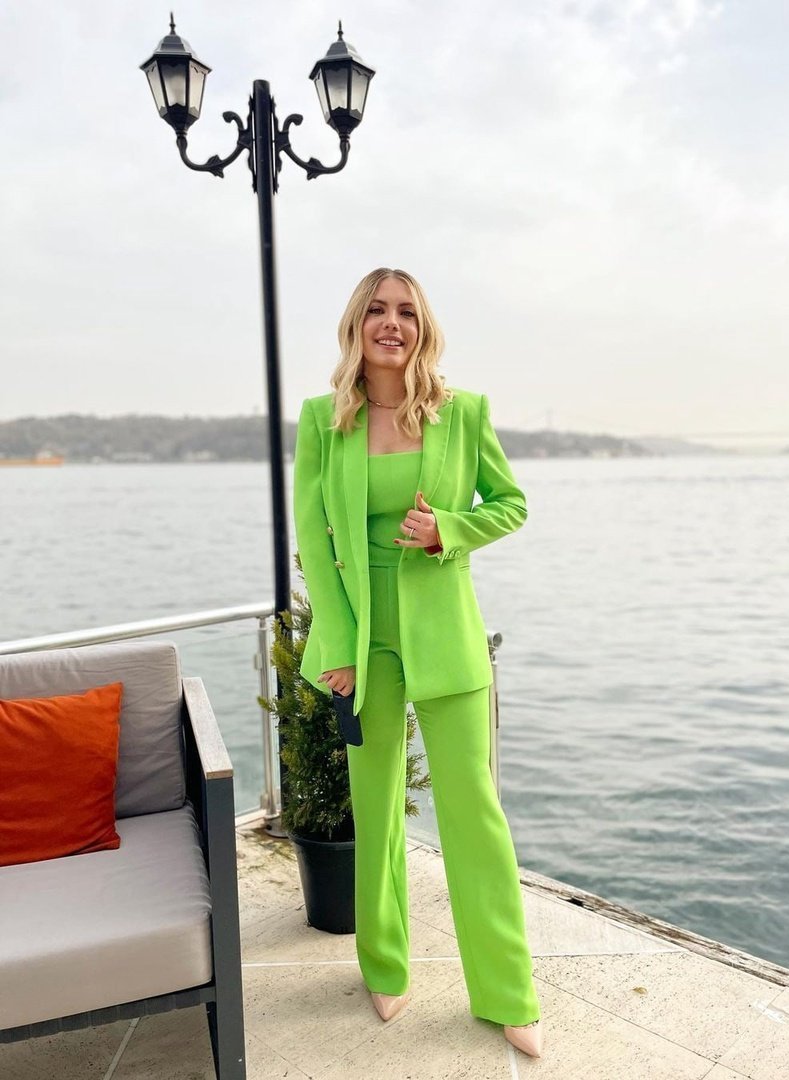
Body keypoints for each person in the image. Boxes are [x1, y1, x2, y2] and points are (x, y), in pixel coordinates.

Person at [292, 267, 544, 1058]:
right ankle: (384, 965)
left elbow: (510, 504)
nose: (391, 323)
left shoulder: (464, 412)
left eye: (405, 311)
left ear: (422, 327)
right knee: (375, 813)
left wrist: (449, 532)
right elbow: (314, 544)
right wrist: (336, 649)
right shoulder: (322, 420)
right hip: (364, 643)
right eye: (376, 310)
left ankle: (508, 991)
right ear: (356, 326)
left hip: (448, 638)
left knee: (475, 817)